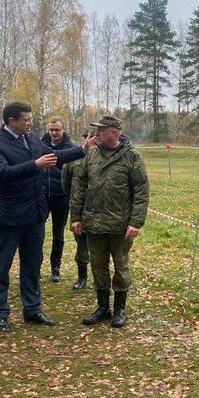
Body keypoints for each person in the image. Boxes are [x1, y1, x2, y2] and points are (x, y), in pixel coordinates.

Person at [0, 102, 94, 332]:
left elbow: (53, 156)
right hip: (9, 216)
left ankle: (32, 309)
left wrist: (82, 150)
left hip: (34, 214)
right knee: (1, 267)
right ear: (12, 120)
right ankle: (0, 313)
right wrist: (34, 165)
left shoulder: (32, 139)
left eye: (31, 119)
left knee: (32, 265)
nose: (30, 123)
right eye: (26, 119)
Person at [70, 116, 149, 328]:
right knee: (98, 266)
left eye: (100, 131)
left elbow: (141, 191)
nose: (96, 136)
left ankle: (120, 309)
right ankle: (103, 308)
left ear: (114, 132)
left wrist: (135, 222)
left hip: (120, 226)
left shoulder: (132, 157)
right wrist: (76, 217)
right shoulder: (92, 155)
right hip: (93, 225)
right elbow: (79, 186)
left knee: (121, 267)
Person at [40, 117, 75, 283]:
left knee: (58, 234)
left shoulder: (71, 149)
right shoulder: (39, 145)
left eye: (57, 130)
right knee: (37, 233)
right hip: (41, 196)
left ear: (63, 130)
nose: (54, 133)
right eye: (51, 130)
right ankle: (36, 266)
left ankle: (55, 267)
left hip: (61, 196)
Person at [61, 133, 91, 289]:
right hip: (80, 210)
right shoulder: (73, 159)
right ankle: (82, 277)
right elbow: (65, 184)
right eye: (89, 137)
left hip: (103, 212)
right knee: (82, 245)